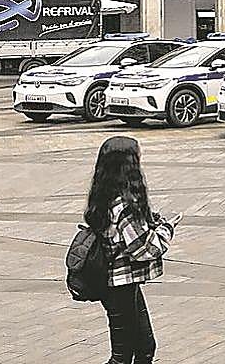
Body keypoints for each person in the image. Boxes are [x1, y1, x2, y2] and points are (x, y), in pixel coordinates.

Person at [84, 137, 180, 364]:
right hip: (119, 287)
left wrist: (149, 222)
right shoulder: (125, 204)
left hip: (119, 284)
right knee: (128, 354)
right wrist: (167, 228)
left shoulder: (103, 195)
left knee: (141, 348)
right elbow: (144, 249)